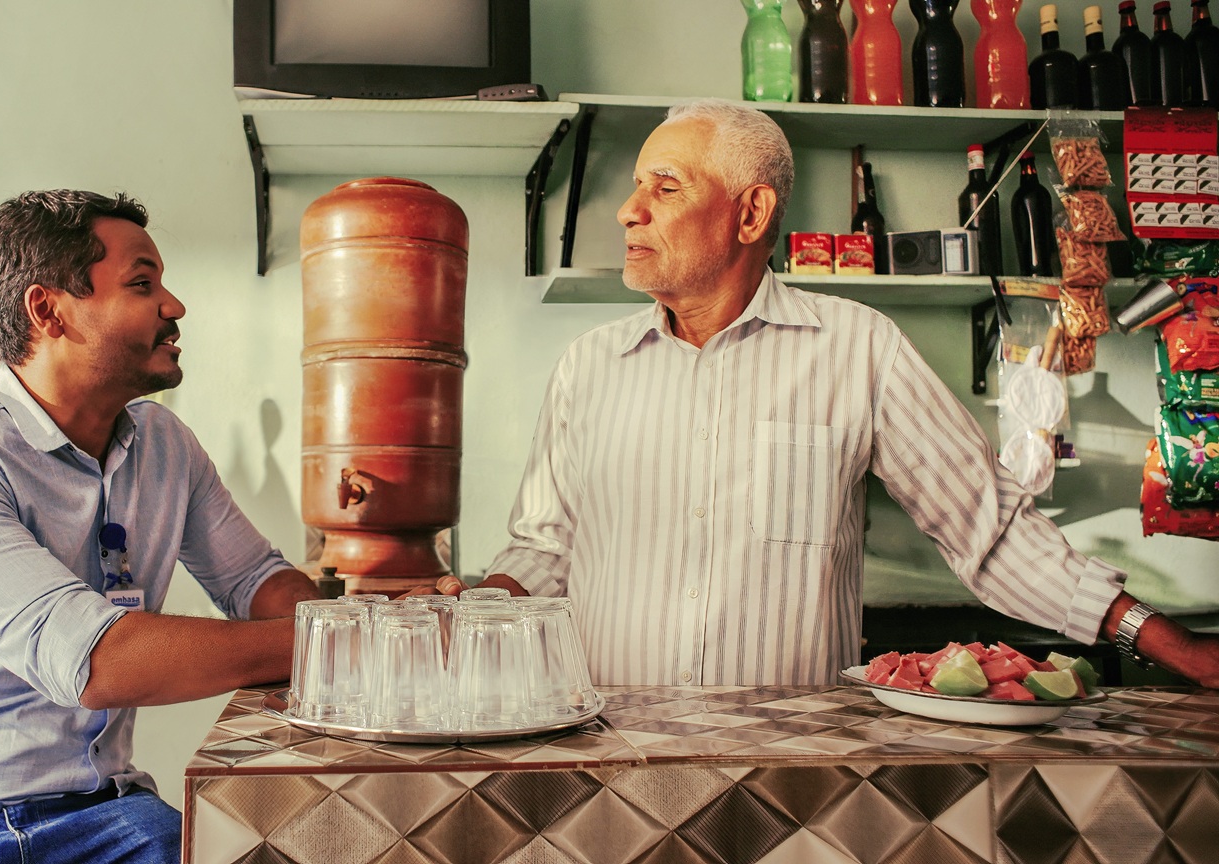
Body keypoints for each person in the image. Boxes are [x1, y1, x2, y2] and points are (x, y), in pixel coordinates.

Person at [433, 98, 1219, 690]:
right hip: (613, 747)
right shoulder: (589, 366)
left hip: (801, 767)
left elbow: (991, 532)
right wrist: (471, 602)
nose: (628, 209)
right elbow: (545, 550)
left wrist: (1172, 644)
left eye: (664, 187)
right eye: (637, 186)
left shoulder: (858, 349)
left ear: (751, 212)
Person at [0, 190, 318, 863]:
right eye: (142, 283)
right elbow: (95, 661)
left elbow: (257, 580)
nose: (174, 305)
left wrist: (374, 642)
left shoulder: (164, 447)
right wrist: (328, 644)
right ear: (47, 310)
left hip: (103, 817)